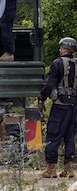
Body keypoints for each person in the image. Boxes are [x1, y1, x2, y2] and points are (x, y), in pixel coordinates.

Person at [38, 37, 77, 178]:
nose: (60, 49)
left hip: (60, 107)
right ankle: (69, 169)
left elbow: (49, 85)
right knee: (69, 137)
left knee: (53, 136)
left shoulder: (57, 63)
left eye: (62, 47)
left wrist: (41, 99)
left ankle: (51, 169)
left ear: (67, 49)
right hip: (74, 108)